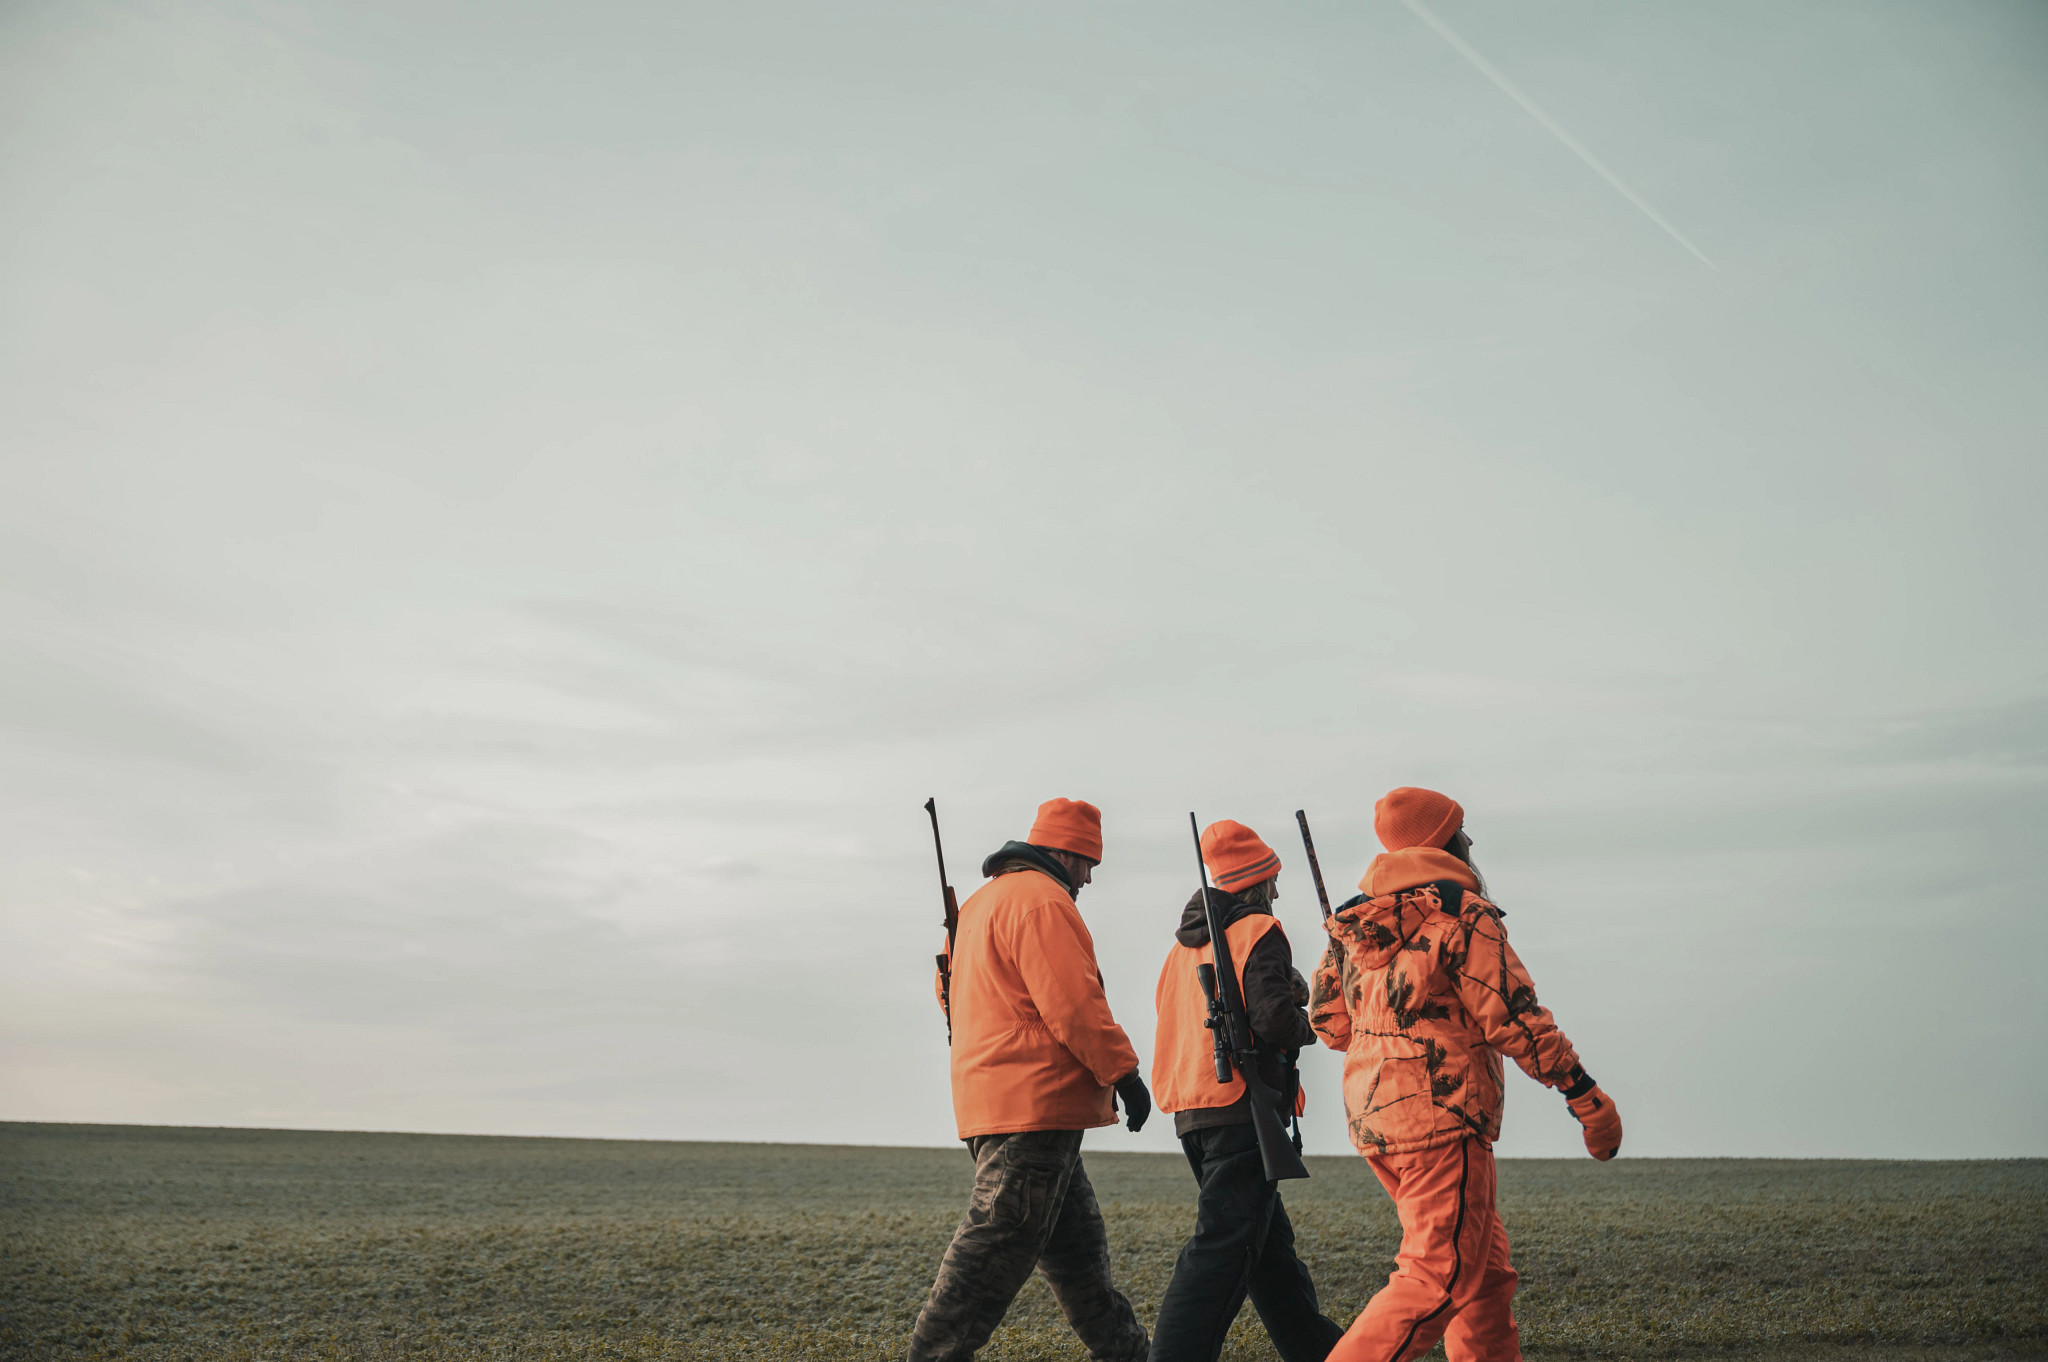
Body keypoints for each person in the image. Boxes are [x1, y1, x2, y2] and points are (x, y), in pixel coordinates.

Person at [1311, 788, 1623, 1362]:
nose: (1470, 840)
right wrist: (1583, 1094)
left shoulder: (1353, 925)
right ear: (1441, 841)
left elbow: (1331, 1027)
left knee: (1483, 1279)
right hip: (1443, 1120)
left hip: (1379, 1123)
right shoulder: (1463, 914)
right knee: (1438, 1279)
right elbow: (1514, 1018)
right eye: (1461, 829)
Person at [907, 797, 1154, 1362]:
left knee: (1079, 1257)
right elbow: (1074, 1005)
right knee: (991, 1248)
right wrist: (1124, 1072)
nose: (1089, 877)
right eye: (1088, 862)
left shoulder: (977, 906)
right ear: (1065, 853)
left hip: (993, 1103)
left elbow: (951, 999)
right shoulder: (1043, 902)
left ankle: (1132, 1355)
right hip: (1035, 1105)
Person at [1147, 820, 1347, 1362]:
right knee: (1223, 1250)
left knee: (1269, 1254)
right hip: (1241, 1109)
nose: (1278, 891)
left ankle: (1322, 1352)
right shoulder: (1259, 928)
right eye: (1274, 879)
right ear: (1256, 882)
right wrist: (1319, 1027)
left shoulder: (1182, 949)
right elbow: (1277, 1021)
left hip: (1194, 1110)